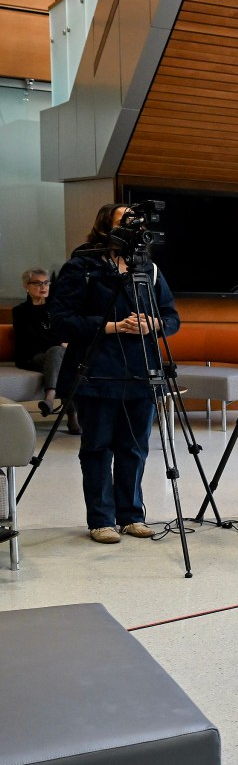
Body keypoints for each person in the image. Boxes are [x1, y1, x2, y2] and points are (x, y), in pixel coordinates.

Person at [50, 202, 180, 544]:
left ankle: (131, 516)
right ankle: (101, 520)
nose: (135, 226)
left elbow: (172, 317)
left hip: (142, 371)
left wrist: (154, 324)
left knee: (135, 447)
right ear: (107, 227)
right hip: (96, 372)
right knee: (97, 448)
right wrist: (112, 326)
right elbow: (60, 320)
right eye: (127, 220)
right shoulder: (82, 266)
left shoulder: (147, 269)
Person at [12, 268, 68, 419]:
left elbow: (65, 331)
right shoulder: (20, 311)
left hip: (56, 355)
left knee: (64, 358)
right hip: (32, 355)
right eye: (37, 283)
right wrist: (61, 343)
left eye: (46, 283)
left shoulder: (56, 309)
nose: (43, 287)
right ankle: (53, 398)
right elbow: (32, 338)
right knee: (58, 352)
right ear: (26, 286)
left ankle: (53, 401)